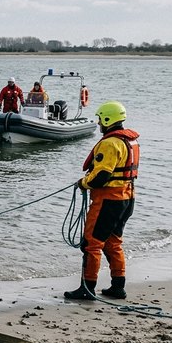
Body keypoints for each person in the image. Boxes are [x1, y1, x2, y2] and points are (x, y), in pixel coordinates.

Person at [64, 101, 139, 300]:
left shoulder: (109, 143)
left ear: (108, 119)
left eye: (100, 120)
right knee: (113, 242)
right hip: (127, 199)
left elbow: (100, 178)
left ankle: (87, 288)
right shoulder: (130, 142)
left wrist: (83, 184)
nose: (99, 124)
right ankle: (118, 286)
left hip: (108, 200)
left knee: (92, 244)